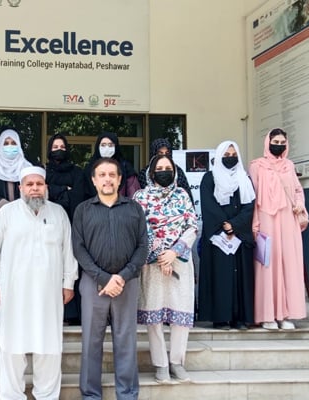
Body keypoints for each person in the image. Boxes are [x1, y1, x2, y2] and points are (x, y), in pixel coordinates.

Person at [0, 166, 78, 400]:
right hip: (13, 292)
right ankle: (12, 395)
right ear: (20, 188)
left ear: (45, 187)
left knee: (49, 347)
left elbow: (69, 251)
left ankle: (46, 395)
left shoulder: (58, 213)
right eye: (29, 184)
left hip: (49, 292)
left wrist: (69, 282)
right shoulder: (6, 213)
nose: (35, 189)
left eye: (39, 184)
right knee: (11, 346)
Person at [72, 158, 148, 400]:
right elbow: (79, 249)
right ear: (94, 180)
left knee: (126, 341)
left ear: (119, 179)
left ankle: (127, 394)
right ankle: (91, 395)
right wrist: (104, 278)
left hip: (127, 283)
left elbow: (142, 247)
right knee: (90, 343)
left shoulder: (134, 209)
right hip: (93, 284)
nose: (107, 179)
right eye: (102, 175)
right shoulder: (83, 210)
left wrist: (122, 277)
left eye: (111, 174)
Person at [134, 154, 198, 384]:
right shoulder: (140, 197)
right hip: (152, 265)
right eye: (159, 168)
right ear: (151, 173)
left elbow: (192, 225)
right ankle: (161, 364)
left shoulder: (182, 195)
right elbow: (140, 228)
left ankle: (177, 362)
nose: (163, 171)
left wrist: (174, 253)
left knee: (181, 315)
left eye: (167, 167)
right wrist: (161, 256)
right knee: (155, 316)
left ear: (175, 171)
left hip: (180, 261)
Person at [249, 128, 307, 330]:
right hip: (266, 219)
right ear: (268, 142)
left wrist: (300, 203)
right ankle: (267, 315)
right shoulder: (257, 166)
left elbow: (298, 189)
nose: (279, 145)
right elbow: (253, 197)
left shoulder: (289, 165)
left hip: (288, 220)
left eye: (283, 142)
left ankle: (286, 315)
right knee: (268, 266)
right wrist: (255, 225)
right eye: (276, 141)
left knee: (288, 265)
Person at [198, 140, 256, 330]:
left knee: (240, 277)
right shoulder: (210, 178)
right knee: (221, 277)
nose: (230, 159)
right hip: (217, 237)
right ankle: (221, 318)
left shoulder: (244, 178)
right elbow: (208, 205)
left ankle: (240, 318)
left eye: (233, 155)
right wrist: (224, 225)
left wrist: (235, 225)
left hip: (239, 235)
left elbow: (249, 206)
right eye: (226, 155)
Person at [0, 128, 31, 329]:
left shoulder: (26, 167)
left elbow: (34, 191)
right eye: (6, 143)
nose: (10, 147)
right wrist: (1, 206)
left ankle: (22, 312)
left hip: (24, 225)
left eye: (13, 143)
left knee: (23, 267)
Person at [45, 133, 89, 325]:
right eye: (55, 147)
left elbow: (78, 197)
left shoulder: (77, 172)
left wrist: (55, 191)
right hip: (47, 227)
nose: (59, 150)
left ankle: (71, 315)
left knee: (70, 268)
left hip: (72, 225)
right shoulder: (44, 171)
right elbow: (43, 193)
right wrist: (65, 190)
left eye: (62, 146)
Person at [84, 131, 140, 199]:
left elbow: (133, 195)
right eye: (103, 145)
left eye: (110, 145)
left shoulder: (126, 168)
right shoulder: (89, 169)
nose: (107, 148)